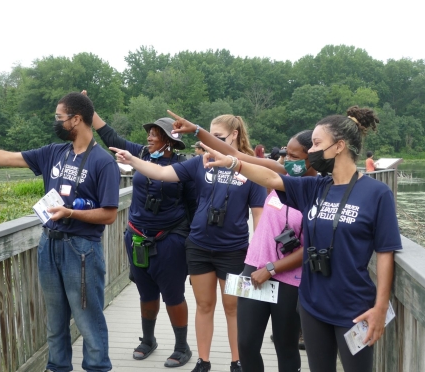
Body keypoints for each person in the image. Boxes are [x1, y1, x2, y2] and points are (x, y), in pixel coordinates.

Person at [192, 106, 402, 372]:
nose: (311, 151)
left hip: (354, 307)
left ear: (339, 146)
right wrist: (236, 164)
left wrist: (380, 307)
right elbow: (271, 176)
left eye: (316, 144)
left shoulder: (376, 193)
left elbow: (385, 252)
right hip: (312, 303)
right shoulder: (316, 188)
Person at [0, 92, 120, 372]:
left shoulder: (103, 162)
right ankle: (57, 368)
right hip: (49, 245)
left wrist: (71, 213)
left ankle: (97, 368)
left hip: (81, 251)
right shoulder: (55, 153)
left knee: (88, 321)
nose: (55, 122)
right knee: (54, 322)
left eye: (59, 118)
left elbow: (110, 214)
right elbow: (7, 157)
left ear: (76, 119)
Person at [110, 114, 266, 372]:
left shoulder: (250, 168)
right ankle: (203, 361)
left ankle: (237, 362)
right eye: (208, 138)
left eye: (219, 138)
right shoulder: (199, 164)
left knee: (233, 308)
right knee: (204, 306)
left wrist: (257, 259)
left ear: (235, 135)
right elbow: (160, 172)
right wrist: (134, 160)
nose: (210, 143)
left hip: (234, 249)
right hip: (199, 246)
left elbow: (259, 217)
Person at [163, 120, 316, 371]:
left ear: (312, 158)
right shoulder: (280, 175)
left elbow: (311, 246)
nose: (287, 160)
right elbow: (234, 155)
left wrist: (271, 268)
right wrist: (197, 131)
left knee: (284, 344)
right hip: (253, 270)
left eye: (293, 156)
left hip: (287, 279)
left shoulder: (319, 190)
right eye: (286, 154)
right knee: (245, 344)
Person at [92, 112, 197, 367]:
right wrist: (89, 112)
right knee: (146, 292)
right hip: (137, 237)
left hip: (171, 239)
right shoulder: (141, 155)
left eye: (154, 134)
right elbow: (111, 137)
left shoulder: (184, 165)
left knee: (173, 295)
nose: (149, 137)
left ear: (169, 140)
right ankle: (148, 340)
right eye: (149, 133)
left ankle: (182, 347)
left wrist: (193, 248)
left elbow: (193, 207)